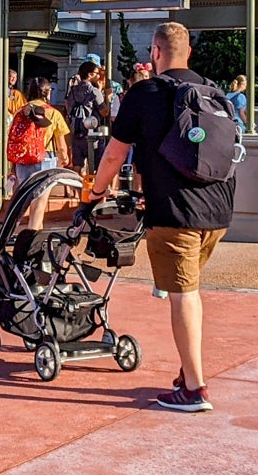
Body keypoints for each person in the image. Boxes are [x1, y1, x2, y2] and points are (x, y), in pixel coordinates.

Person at [81, 21, 234, 412]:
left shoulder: (145, 93)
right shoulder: (211, 90)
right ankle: (188, 371)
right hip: (217, 211)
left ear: (154, 52)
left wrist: (96, 194)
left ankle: (194, 389)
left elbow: (114, 154)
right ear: (189, 53)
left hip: (173, 212)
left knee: (183, 295)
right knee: (189, 290)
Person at [6, 77, 70, 206]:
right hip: (46, 156)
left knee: (23, 194)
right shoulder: (54, 113)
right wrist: (64, 158)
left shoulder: (21, 112)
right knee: (40, 199)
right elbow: (61, 144)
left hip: (23, 156)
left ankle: (19, 216)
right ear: (47, 92)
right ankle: (35, 219)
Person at [65, 61, 105, 169]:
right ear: (90, 74)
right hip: (91, 133)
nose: (99, 76)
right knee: (96, 165)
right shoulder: (94, 91)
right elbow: (104, 111)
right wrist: (104, 94)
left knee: (77, 165)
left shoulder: (73, 90)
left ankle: (77, 181)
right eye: (97, 73)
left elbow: (68, 107)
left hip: (76, 131)